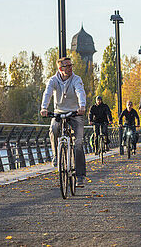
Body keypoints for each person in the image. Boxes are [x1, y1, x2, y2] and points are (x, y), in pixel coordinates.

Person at [40, 56, 87, 188]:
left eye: (71, 65)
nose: (71, 68)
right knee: (54, 128)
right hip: (59, 112)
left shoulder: (76, 79)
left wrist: (82, 106)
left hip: (75, 112)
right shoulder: (53, 80)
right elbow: (47, 93)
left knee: (78, 143)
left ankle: (79, 176)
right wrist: (44, 108)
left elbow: (80, 92)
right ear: (61, 69)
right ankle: (56, 155)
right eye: (67, 66)